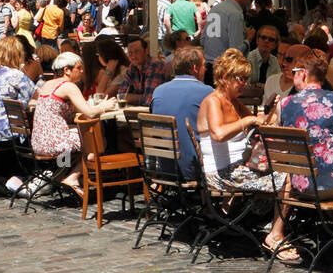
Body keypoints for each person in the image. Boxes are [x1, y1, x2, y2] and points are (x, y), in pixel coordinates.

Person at [265, 48, 333, 269]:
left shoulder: (285, 105)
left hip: (307, 187)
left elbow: (280, 145)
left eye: (295, 71)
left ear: (303, 73)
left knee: (297, 174)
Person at [197, 48, 281, 193]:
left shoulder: (233, 101)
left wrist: (272, 108)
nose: (245, 83)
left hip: (238, 167)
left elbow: (258, 122)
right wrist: (247, 121)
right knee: (284, 179)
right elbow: (219, 135)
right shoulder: (213, 101)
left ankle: (238, 212)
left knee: (280, 172)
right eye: (241, 79)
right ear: (225, 78)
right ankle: (272, 216)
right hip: (219, 173)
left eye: (246, 78)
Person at [31, 51, 117, 192]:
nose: (82, 71)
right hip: (54, 143)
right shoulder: (69, 86)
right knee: (96, 141)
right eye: (79, 68)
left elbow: (65, 113)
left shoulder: (47, 84)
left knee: (80, 142)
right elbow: (89, 113)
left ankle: (60, 175)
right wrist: (104, 106)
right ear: (67, 70)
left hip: (39, 142)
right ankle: (73, 176)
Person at [147, 46, 211, 182]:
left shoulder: (158, 91)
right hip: (194, 167)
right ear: (195, 68)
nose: (206, 69)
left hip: (164, 167)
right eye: (204, 65)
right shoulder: (207, 92)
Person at [200, 0, 253, 64]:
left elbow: (203, 40)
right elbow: (236, 50)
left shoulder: (214, 9)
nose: (249, 1)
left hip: (207, 64)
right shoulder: (235, 13)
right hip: (224, 68)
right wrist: (248, 40)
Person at [120, 35, 168, 106]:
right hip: (139, 112)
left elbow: (148, 101)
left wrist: (130, 98)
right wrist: (142, 96)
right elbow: (121, 96)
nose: (133, 56)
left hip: (157, 113)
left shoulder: (156, 65)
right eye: (130, 53)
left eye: (137, 52)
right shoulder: (132, 67)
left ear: (146, 51)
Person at [263, 41, 298, 109]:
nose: (283, 62)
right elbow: (264, 109)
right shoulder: (271, 80)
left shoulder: (301, 85)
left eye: (288, 59)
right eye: (279, 55)